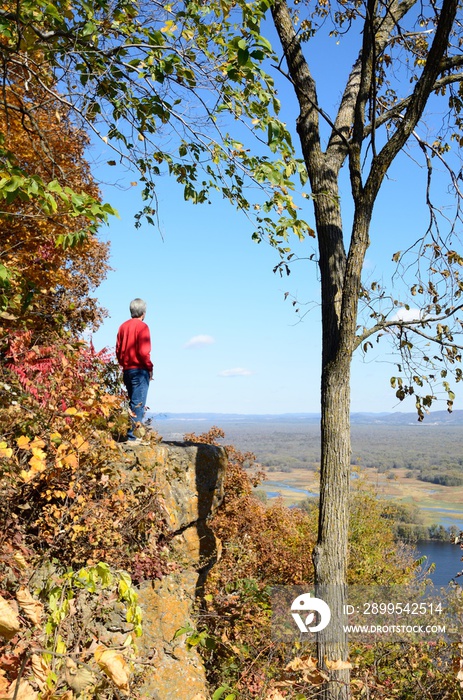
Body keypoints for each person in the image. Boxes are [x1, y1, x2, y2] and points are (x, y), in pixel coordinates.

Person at [116, 298, 153, 442]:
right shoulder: (143, 327)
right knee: (138, 404)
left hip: (127, 370)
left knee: (132, 403)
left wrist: (123, 364)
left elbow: (118, 350)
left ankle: (132, 435)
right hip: (139, 370)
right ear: (143, 312)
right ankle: (133, 438)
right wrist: (149, 368)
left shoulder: (123, 327)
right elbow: (144, 351)